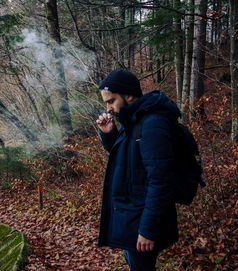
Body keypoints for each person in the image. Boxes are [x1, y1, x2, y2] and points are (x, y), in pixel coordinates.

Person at [96, 69, 180, 270]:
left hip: (142, 222)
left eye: (111, 101)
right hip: (133, 217)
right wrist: (110, 135)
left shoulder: (152, 123)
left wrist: (148, 230)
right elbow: (128, 160)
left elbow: (160, 180)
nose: (108, 109)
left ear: (129, 95)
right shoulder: (132, 119)